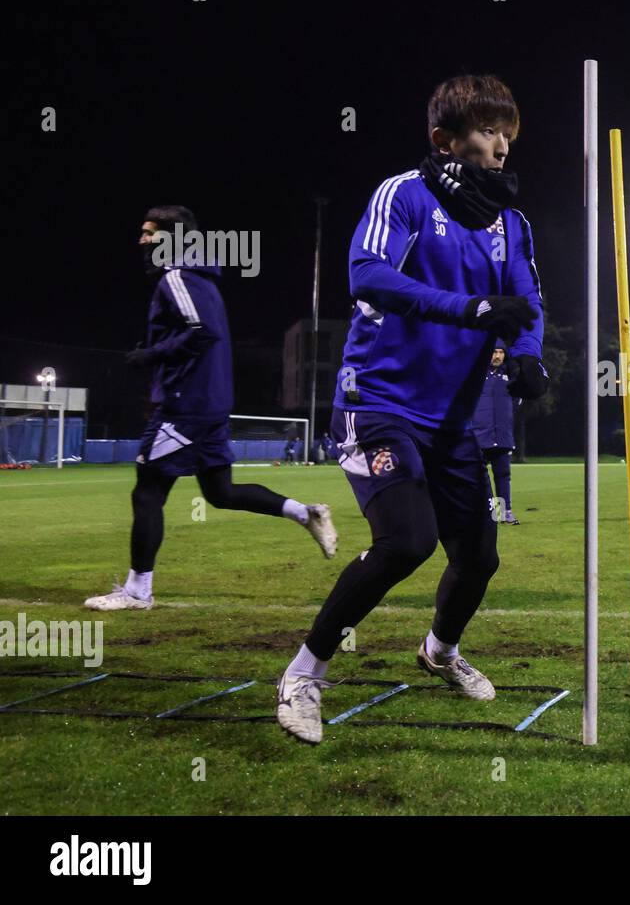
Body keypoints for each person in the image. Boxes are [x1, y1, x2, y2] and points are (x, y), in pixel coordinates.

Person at [276, 76, 549, 744]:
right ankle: (304, 673)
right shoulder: (404, 194)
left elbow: (525, 304)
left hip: (450, 420)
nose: (502, 146)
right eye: (489, 132)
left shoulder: (511, 225)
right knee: (406, 541)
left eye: (508, 135)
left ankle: (439, 652)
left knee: (479, 557)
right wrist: (467, 309)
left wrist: (529, 356)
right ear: (445, 140)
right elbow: (366, 274)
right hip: (378, 402)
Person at [84, 206, 338, 613]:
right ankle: (305, 513)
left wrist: (150, 355)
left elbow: (203, 331)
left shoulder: (177, 276)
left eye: (149, 233)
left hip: (187, 407)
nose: (142, 241)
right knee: (220, 492)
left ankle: (137, 591)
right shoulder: (199, 276)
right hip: (208, 403)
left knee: (147, 491)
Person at [474, 341, 522, 524]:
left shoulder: (510, 379)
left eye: (501, 352)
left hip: (502, 437)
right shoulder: (476, 378)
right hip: (480, 437)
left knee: (503, 477)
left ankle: (504, 513)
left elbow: (517, 402)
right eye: (494, 351)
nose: (497, 356)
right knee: (479, 479)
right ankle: (485, 513)